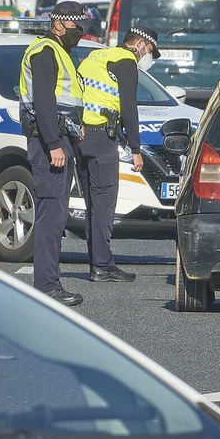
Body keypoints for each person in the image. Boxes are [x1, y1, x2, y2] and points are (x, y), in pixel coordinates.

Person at [16, 0, 89, 306]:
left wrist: (74, 130)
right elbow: (45, 102)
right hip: (49, 144)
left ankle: (50, 282)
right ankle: (46, 285)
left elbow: (64, 101)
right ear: (58, 24)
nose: (79, 34)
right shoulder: (45, 52)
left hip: (59, 140)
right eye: (75, 28)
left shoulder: (60, 52)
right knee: (50, 215)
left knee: (56, 215)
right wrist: (54, 143)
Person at [75, 25, 156, 283]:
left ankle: (96, 262)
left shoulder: (97, 56)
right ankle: (102, 266)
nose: (149, 58)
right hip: (101, 141)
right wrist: (135, 149)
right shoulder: (125, 61)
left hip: (80, 136)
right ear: (141, 44)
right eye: (150, 51)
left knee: (92, 206)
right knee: (104, 206)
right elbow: (129, 108)